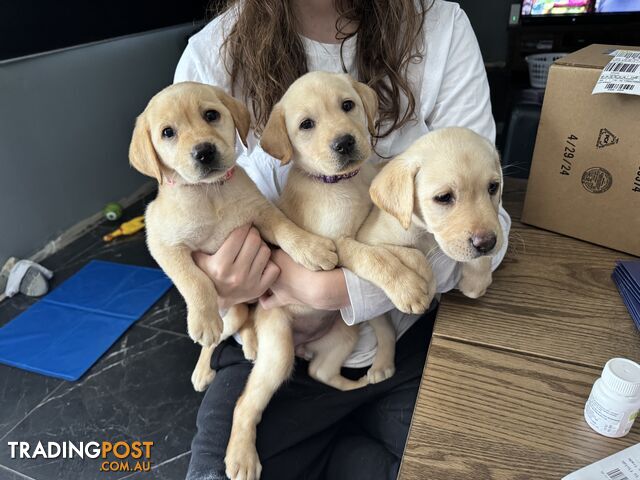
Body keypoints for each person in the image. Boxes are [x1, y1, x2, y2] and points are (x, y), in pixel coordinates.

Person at [174, 1, 511, 478]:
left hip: (413, 332)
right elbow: (185, 230)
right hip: (282, 330)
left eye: (348, 108)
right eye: (307, 125)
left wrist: (332, 289)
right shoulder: (210, 55)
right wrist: (212, 281)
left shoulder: (442, 23)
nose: (338, 136)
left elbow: (489, 221)